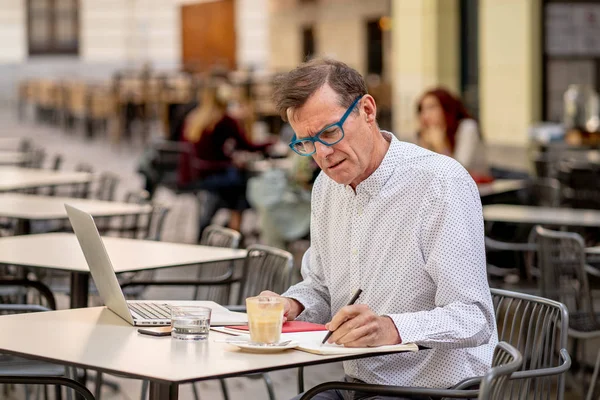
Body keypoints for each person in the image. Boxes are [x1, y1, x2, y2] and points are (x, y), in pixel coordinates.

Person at [256, 58, 497, 399]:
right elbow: (323, 289)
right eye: (306, 142)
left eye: (329, 132)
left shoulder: (440, 182)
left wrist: (392, 328)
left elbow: (474, 318)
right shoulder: (326, 188)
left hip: (439, 390)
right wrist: (291, 305)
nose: (322, 154)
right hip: (357, 385)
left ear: (367, 110)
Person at [178, 82, 270, 238]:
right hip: (216, 174)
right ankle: (234, 229)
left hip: (194, 175)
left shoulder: (194, 118)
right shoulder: (225, 120)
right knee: (242, 186)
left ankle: (216, 226)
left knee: (234, 187)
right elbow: (248, 145)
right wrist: (271, 142)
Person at [416, 87, 491, 182]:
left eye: (431, 107)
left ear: (446, 107)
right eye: (422, 109)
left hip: (476, 188)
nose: (425, 115)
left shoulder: (467, 127)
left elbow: (459, 171)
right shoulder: (427, 133)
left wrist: (440, 146)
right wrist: (425, 146)